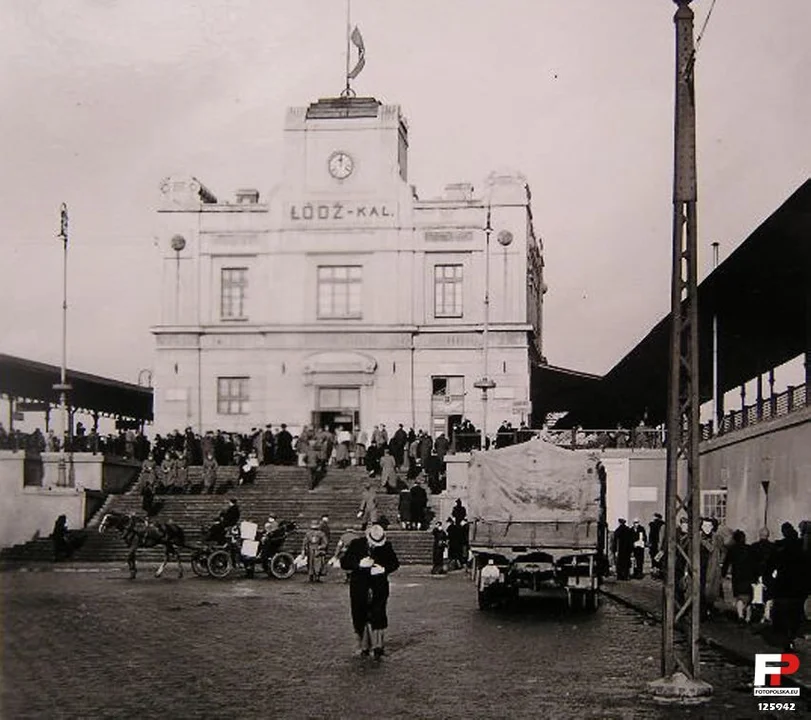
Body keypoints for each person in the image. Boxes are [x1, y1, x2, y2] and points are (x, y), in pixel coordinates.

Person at [340, 523, 400, 659]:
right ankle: (363, 646)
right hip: (359, 586)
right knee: (360, 615)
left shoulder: (387, 546)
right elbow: (345, 562)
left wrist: (383, 569)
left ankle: (378, 646)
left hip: (379, 586)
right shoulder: (356, 545)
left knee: (378, 614)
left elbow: (395, 563)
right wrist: (359, 564)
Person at [767, 522, 808, 651]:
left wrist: (769, 581)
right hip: (798, 586)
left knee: (785, 612)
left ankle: (788, 638)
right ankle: (791, 637)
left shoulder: (781, 547)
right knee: (795, 612)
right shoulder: (801, 546)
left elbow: (770, 566)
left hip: (784, 585)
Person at [722, 529, 755, 623]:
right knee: (749, 597)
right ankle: (748, 617)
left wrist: (723, 573)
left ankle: (740, 616)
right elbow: (755, 563)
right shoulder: (750, 548)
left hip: (737, 576)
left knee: (739, 596)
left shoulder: (732, 550)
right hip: (749, 576)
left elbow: (726, 563)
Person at [749, 527, 775, 623]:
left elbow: (751, 562)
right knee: (768, 595)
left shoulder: (754, 546)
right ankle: (767, 613)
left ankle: (757, 616)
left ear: (760, 535)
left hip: (756, 574)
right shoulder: (773, 547)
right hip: (769, 574)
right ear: (768, 535)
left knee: (757, 596)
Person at [648, 512, 665, 577]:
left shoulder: (652, 525)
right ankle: (658, 572)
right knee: (659, 559)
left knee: (654, 559)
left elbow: (651, 535)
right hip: (660, 545)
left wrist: (650, 543)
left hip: (654, 545)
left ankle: (655, 573)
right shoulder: (663, 524)